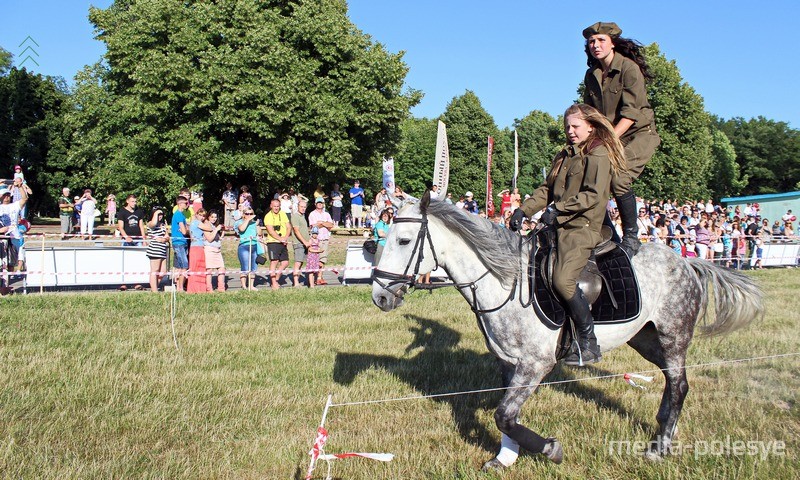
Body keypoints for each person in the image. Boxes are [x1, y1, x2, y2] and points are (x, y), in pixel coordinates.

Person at [509, 104, 625, 367]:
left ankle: (588, 340)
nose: (570, 131)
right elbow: (546, 189)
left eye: (575, 126)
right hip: (558, 225)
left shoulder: (598, 154)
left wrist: (558, 209)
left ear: (590, 126)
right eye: (567, 126)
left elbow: (593, 195)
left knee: (562, 280)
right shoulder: (564, 154)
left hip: (581, 228)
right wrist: (523, 211)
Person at [582, 22, 661, 257]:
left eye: (601, 40)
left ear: (612, 43)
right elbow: (589, 114)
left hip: (638, 134)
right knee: (590, 179)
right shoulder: (592, 74)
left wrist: (606, 141)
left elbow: (630, 114)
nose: (595, 45)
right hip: (611, 136)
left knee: (618, 178)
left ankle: (632, 237)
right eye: (591, 41)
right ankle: (607, 236)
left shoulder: (628, 69)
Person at [0, 179, 29, 272]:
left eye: (8, 195)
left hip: (14, 236)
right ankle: (3, 283)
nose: (6, 197)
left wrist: (20, 187)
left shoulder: (15, 205)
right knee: (2, 261)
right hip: (2, 236)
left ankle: (8, 281)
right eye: (4, 195)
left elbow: (25, 199)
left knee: (12, 262)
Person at [264, 198, 291, 290]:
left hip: (283, 241)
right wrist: (280, 239)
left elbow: (288, 227)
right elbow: (271, 231)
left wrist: (285, 237)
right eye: (274, 206)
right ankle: (274, 283)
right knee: (274, 261)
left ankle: (276, 277)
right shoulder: (268, 216)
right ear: (271, 206)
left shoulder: (283, 214)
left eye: (277, 206)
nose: (276, 208)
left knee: (285, 262)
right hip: (273, 242)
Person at [307, 197, 334, 285]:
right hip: (316, 240)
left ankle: (319, 277)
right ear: (315, 204)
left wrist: (321, 223)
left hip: (325, 238)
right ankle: (315, 277)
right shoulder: (312, 214)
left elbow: (331, 225)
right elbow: (314, 226)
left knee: (323, 259)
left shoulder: (327, 214)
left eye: (321, 203)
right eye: (318, 203)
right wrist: (324, 223)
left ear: (323, 204)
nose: (320, 204)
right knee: (315, 260)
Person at [234, 206, 260, 291]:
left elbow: (259, 233)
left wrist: (257, 225)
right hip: (244, 246)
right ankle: (244, 285)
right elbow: (241, 229)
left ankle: (251, 285)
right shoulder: (239, 222)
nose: (249, 215)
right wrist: (248, 220)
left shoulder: (254, 223)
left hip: (254, 246)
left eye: (251, 214)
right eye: (247, 214)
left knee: (253, 267)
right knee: (245, 266)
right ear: (243, 214)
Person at [145, 206, 169, 292]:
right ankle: (155, 291)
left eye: (161, 214)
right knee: (154, 270)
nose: (160, 216)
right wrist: (156, 212)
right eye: (158, 214)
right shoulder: (150, 223)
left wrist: (164, 239)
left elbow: (167, 236)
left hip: (162, 250)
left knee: (163, 272)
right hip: (154, 249)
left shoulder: (162, 225)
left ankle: (154, 287)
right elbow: (154, 223)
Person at [203, 210, 226, 292]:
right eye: (212, 217)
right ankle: (209, 288)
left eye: (215, 217)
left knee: (222, 268)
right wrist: (216, 230)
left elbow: (217, 238)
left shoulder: (214, 226)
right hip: (209, 249)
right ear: (208, 217)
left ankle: (221, 288)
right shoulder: (206, 225)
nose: (214, 219)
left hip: (217, 250)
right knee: (209, 270)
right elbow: (209, 239)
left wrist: (222, 232)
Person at [170, 196, 190, 291]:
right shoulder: (178, 215)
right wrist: (186, 229)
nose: (187, 205)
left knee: (178, 266)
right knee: (184, 265)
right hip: (179, 242)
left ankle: (178, 287)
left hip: (181, 242)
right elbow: (184, 231)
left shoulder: (182, 215)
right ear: (180, 203)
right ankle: (180, 288)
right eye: (186, 203)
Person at [186, 208, 208, 293]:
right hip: (196, 247)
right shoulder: (196, 222)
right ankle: (195, 288)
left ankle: (199, 288)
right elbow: (209, 228)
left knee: (199, 267)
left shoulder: (194, 222)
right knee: (196, 267)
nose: (202, 217)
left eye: (203, 216)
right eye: (200, 215)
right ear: (197, 215)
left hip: (198, 246)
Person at [291, 199, 311, 287]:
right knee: (298, 262)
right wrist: (304, 242)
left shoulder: (303, 216)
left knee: (301, 262)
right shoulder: (295, 216)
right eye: (301, 207)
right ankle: (295, 283)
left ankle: (299, 281)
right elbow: (296, 231)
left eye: (304, 207)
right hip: (299, 243)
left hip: (305, 243)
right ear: (298, 207)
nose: (303, 208)